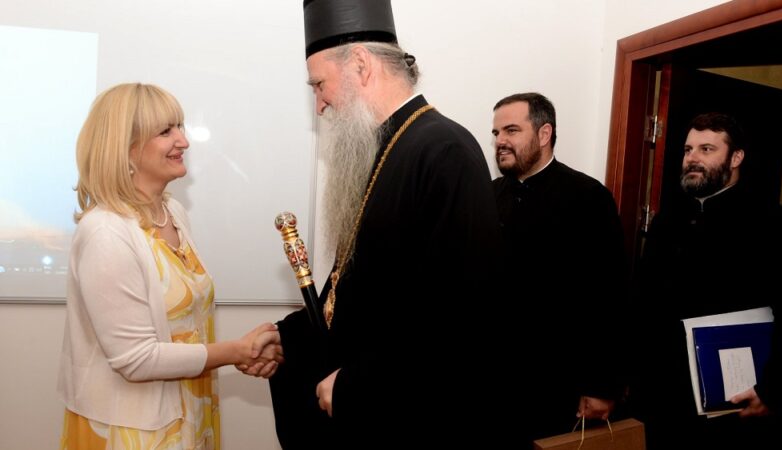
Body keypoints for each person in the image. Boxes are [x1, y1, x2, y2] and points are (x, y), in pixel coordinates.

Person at [252, 0, 522, 448]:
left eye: (319, 85)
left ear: (360, 64)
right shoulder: (380, 147)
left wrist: (358, 384)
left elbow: (457, 313)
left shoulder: (444, 150)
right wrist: (288, 338)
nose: (319, 105)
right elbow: (359, 288)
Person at [57, 82, 283, 449]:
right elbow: (136, 360)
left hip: (189, 411)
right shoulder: (105, 233)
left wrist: (248, 348)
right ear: (126, 149)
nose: (184, 141)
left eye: (180, 126)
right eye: (166, 131)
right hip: (134, 431)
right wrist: (236, 351)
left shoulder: (172, 212)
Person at [631, 112, 782, 449]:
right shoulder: (667, 221)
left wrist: (773, 391)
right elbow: (643, 304)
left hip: (740, 409)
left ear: (736, 158)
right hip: (667, 404)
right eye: (688, 149)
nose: (692, 158)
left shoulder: (775, 224)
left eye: (706, 149)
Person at [490, 92, 629, 441]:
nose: (500, 141)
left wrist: (602, 385)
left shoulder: (588, 197)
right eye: (496, 133)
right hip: (493, 380)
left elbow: (610, 296)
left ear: (544, 133)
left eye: (511, 130)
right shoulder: (487, 195)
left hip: (557, 383)